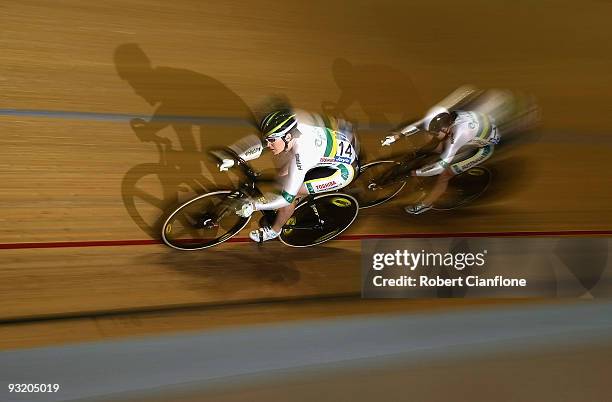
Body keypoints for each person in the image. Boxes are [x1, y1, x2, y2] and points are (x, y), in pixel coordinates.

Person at [214, 108, 360, 242]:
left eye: (271, 140)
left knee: (290, 196)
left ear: (288, 137)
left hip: (341, 171)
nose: (268, 144)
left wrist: (254, 206)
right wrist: (236, 158)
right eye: (268, 139)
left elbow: (286, 198)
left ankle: (274, 231)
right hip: (326, 153)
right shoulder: (293, 127)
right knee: (282, 174)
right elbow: (261, 145)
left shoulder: (303, 156)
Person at [381, 86, 500, 214]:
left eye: (435, 132)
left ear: (445, 129)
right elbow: (419, 124)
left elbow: (441, 167)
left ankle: (425, 204)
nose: (433, 134)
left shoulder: (460, 133)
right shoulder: (444, 115)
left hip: (482, 148)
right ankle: (427, 160)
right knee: (434, 146)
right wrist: (398, 136)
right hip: (474, 131)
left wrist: (416, 173)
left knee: (445, 174)